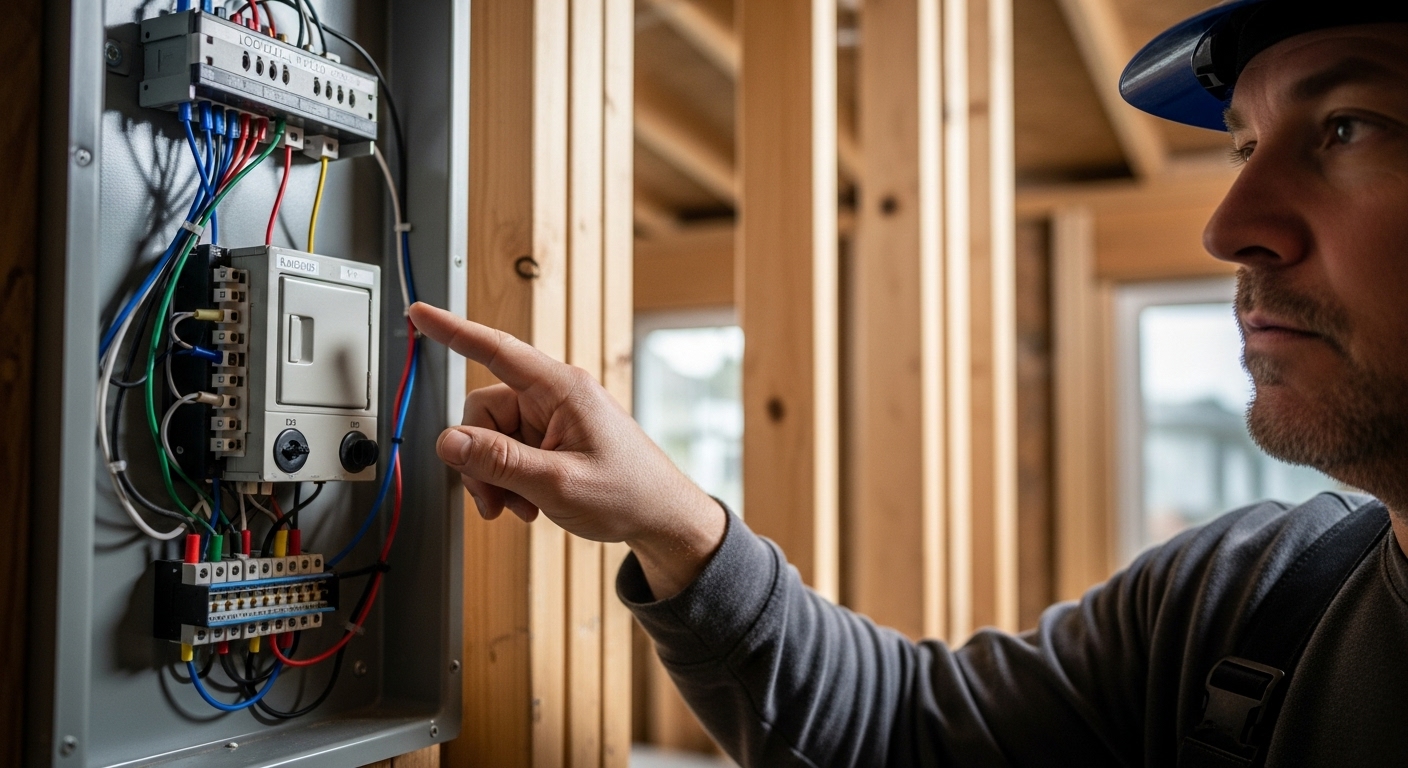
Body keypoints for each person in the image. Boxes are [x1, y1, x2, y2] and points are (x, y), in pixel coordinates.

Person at [409, 1, 1408, 765]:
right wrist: (673, 521)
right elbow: (900, 734)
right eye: (1241, 143)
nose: (1227, 222)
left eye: (1348, 126)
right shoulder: (1248, 600)